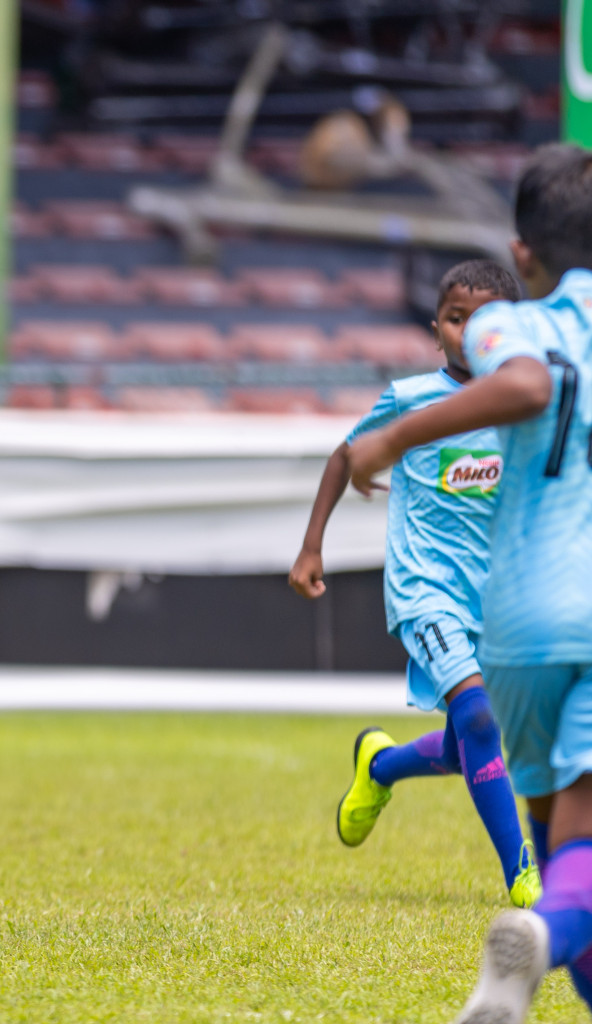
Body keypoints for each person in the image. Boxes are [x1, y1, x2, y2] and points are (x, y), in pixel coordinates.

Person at [345, 144, 592, 1024]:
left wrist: (390, 438)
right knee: (582, 845)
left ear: (522, 257)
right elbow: (525, 391)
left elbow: (524, 382)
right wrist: (397, 433)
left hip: (521, 621)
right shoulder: (500, 331)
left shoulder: (514, 324)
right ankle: (550, 933)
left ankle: (543, 939)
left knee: (571, 847)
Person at [290, 259, 538, 908]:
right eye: (457, 319)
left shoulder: (526, 407)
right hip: (425, 589)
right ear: (437, 331)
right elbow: (346, 456)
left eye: (485, 320)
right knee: (480, 718)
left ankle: (379, 766)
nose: (468, 332)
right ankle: (523, 875)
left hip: (499, 598)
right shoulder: (410, 400)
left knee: (467, 744)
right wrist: (311, 546)